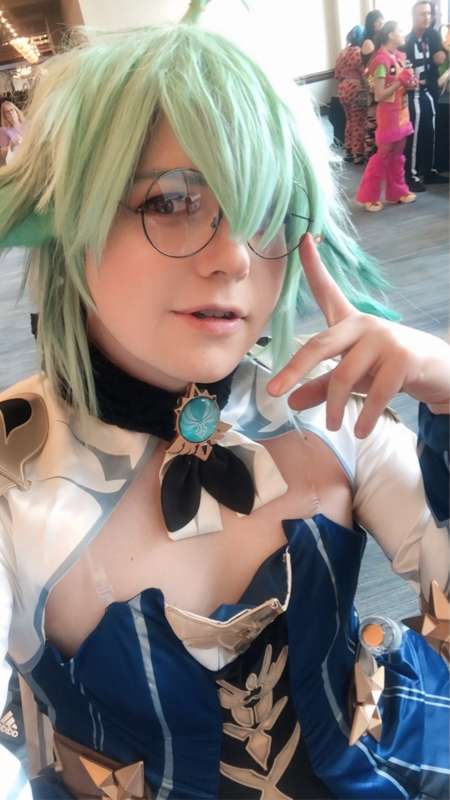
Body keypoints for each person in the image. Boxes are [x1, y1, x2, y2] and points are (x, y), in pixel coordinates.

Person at [0, 5, 449, 799]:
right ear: (68, 219)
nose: (236, 258)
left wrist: (447, 393)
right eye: (172, 201)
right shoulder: (13, 482)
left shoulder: (329, 410)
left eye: (266, 209)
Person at [356, 21, 418, 212]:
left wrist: (410, 83)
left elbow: (402, 84)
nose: (403, 34)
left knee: (397, 155)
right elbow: (379, 94)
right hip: (388, 115)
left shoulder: (398, 57)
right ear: (390, 34)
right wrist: (400, 81)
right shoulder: (381, 61)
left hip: (402, 112)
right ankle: (369, 196)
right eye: (400, 30)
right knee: (382, 156)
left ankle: (398, 191)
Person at [403, 0, 449, 191]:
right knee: (414, 135)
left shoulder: (433, 35)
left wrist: (441, 56)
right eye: (422, 14)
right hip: (413, 93)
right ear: (413, 16)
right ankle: (411, 175)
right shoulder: (407, 41)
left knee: (430, 131)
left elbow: (441, 56)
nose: (427, 17)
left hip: (430, 91)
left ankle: (428, 171)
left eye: (429, 13)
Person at [335, 26, 367, 164]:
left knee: (349, 120)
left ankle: (348, 150)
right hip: (357, 89)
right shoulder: (359, 52)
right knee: (359, 120)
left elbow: (337, 74)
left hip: (343, 89)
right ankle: (358, 153)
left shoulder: (342, 53)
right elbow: (364, 74)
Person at [361, 9, 385, 159]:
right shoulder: (369, 42)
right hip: (372, 82)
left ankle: (378, 155)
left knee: (380, 120)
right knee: (372, 121)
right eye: (377, 21)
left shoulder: (380, 40)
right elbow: (371, 65)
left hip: (379, 82)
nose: (381, 23)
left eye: (382, 20)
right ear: (371, 24)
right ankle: (370, 156)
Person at [0, 100, 24, 166]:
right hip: (17, 162)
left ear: (16, 111)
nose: (11, 113)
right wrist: (11, 146)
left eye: (12, 110)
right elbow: (2, 153)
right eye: (7, 112)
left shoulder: (29, 124)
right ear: (5, 117)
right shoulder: (4, 130)